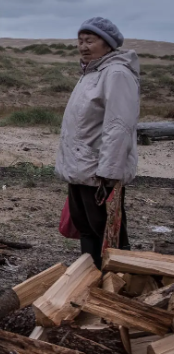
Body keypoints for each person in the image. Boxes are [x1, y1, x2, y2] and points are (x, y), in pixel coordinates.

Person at [56, 17, 140, 268]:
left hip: (99, 171)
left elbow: (119, 127)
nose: (83, 46)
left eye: (90, 41)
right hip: (82, 168)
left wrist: (108, 173)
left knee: (107, 231)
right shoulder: (91, 73)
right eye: (80, 41)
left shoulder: (116, 74)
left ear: (108, 44)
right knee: (86, 229)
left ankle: (117, 281)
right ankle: (89, 279)